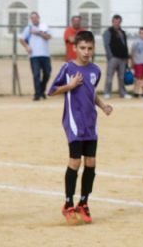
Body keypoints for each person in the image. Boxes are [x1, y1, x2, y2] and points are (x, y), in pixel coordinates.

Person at [48, 31, 113, 225]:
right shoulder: (68, 68)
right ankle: (68, 203)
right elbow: (52, 91)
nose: (86, 52)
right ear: (75, 48)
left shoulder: (95, 70)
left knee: (91, 161)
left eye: (90, 48)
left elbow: (91, 93)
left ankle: (83, 203)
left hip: (90, 122)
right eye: (82, 48)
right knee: (75, 162)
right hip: (74, 122)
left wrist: (103, 106)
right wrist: (71, 85)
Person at [19, 11, 52, 101]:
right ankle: (37, 94)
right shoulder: (28, 28)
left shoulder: (44, 26)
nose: (34, 19)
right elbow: (21, 39)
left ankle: (42, 90)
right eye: (32, 18)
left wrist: (38, 33)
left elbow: (48, 37)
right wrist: (27, 47)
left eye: (35, 17)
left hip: (45, 54)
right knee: (36, 75)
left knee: (47, 73)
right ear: (31, 19)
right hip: (34, 55)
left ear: (38, 18)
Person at [102, 14, 131, 99]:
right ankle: (107, 92)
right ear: (112, 22)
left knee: (121, 77)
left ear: (120, 22)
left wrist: (126, 57)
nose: (117, 23)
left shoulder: (123, 32)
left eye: (118, 22)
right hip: (113, 58)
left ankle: (122, 93)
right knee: (109, 76)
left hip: (123, 58)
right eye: (115, 22)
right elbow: (106, 44)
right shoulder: (108, 32)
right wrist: (110, 56)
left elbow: (125, 45)